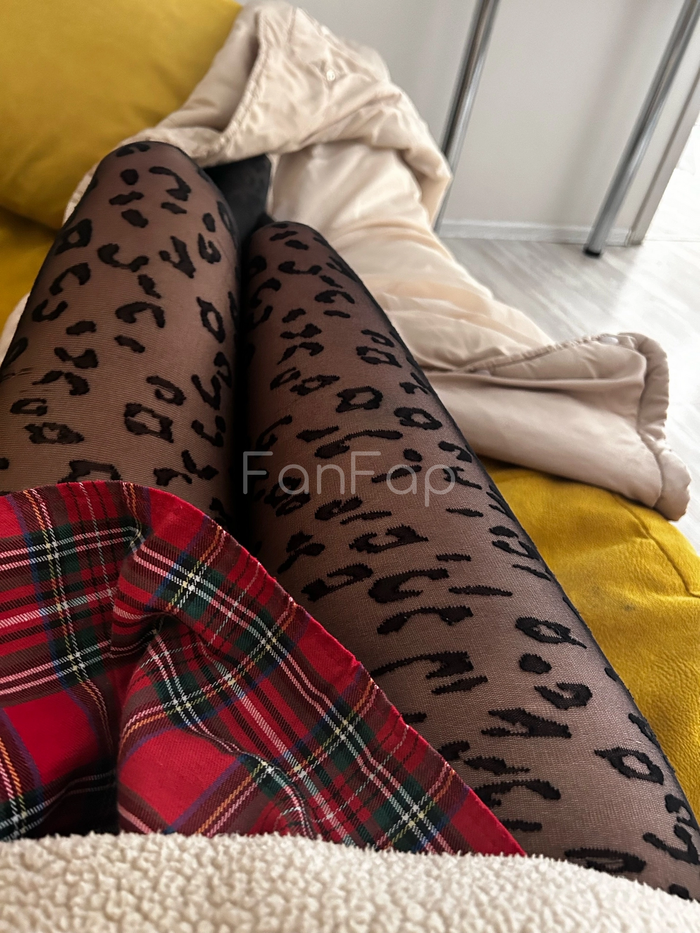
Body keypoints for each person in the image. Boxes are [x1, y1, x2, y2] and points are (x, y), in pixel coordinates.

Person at [1, 141, 698, 897]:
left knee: (152, 177)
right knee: (283, 249)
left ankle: (232, 235)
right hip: (497, 885)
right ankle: (253, 239)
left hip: (32, 709)